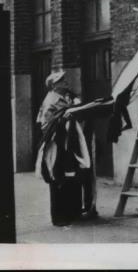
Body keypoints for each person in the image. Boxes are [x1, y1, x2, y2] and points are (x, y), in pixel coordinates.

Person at [36, 71, 95, 225]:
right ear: (54, 85)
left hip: (70, 143)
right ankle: (60, 216)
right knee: (58, 177)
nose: (65, 82)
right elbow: (45, 125)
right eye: (61, 80)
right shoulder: (50, 101)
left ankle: (73, 211)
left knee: (73, 175)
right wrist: (63, 119)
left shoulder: (67, 96)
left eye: (64, 79)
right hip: (58, 145)